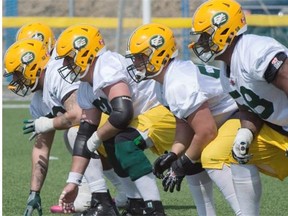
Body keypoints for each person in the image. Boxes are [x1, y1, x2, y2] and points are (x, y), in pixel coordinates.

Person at [54, 23, 177, 216]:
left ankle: (154, 209)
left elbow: (122, 113)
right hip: (142, 115)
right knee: (110, 139)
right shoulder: (87, 86)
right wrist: (73, 181)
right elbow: (85, 133)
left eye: (69, 58)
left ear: (84, 53)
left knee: (123, 141)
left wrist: (97, 138)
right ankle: (135, 203)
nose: (65, 65)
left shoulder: (106, 65)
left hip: (163, 110)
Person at [125, 22, 241, 216]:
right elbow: (183, 123)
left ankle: (244, 211)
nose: (136, 63)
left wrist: (183, 162)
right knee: (190, 159)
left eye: (140, 57)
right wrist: (175, 153)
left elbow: (206, 131)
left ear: (159, 55)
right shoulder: (162, 83)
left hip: (238, 112)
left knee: (209, 154)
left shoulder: (177, 83)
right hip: (223, 116)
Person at [4, 28, 121, 216]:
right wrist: (34, 192)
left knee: (75, 133)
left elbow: (78, 114)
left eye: (18, 73)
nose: (16, 80)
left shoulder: (56, 75)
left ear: (31, 65)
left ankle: (101, 199)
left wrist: (47, 123)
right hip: (101, 125)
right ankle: (121, 192)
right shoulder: (38, 101)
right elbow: (41, 148)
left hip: (114, 118)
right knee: (75, 133)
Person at [189, 0, 288, 215]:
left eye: (206, 35)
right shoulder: (227, 68)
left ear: (225, 30)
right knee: (233, 152)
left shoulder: (255, 51)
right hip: (277, 129)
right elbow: (251, 109)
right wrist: (245, 133)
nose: (202, 42)